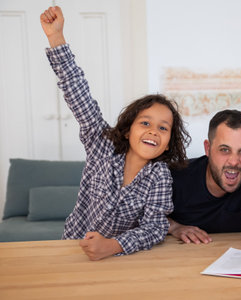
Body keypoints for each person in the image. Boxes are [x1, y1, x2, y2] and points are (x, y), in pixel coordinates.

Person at [40, 6, 190, 260]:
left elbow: (154, 228)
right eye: (145, 123)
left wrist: (113, 246)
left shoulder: (160, 176)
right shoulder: (102, 146)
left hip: (119, 259)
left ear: (167, 144)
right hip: (72, 249)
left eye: (163, 128)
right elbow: (80, 95)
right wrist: (56, 38)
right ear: (129, 129)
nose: (153, 131)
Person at [168, 110, 241, 244]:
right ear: (208, 148)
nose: (234, 161)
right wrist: (174, 227)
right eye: (225, 150)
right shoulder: (175, 175)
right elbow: (139, 215)